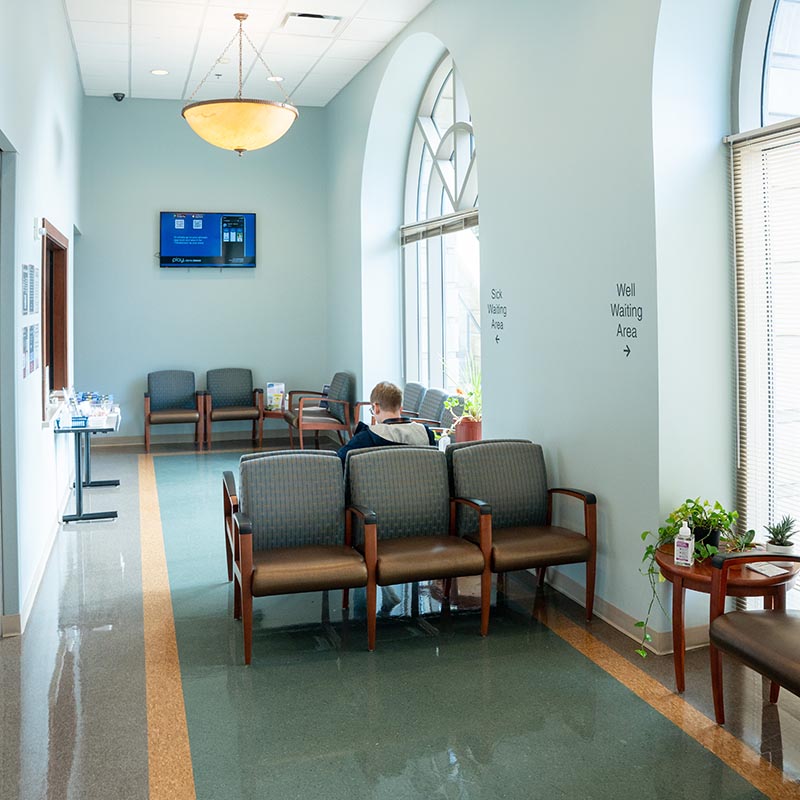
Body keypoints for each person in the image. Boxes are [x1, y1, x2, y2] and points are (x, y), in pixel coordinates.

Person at [337, 381, 435, 462]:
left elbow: (338, 461)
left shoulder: (366, 437)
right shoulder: (426, 433)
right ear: (400, 409)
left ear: (376, 408)